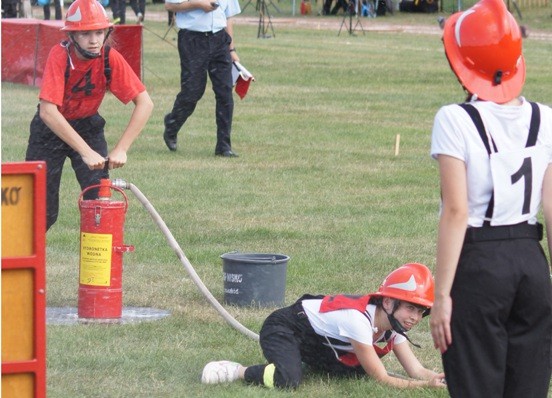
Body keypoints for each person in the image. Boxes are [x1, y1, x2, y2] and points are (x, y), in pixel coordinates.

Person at [429, 0, 552, 396]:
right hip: (532, 263)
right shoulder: (545, 118)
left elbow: (456, 211)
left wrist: (442, 296)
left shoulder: (454, 118)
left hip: (480, 264)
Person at [202, 263, 447, 390]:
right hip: (285, 327)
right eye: (410, 308)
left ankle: (299, 360)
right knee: (288, 380)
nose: (415, 317)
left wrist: (438, 378)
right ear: (388, 302)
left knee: (357, 373)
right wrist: (425, 386)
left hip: (315, 341)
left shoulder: (394, 327)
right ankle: (236, 371)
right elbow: (382, 378)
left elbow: (416, 370)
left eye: (420, 311)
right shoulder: (358, 321)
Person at [25, 0, 153, 231]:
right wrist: (85, 151)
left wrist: (122, 148)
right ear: (72, 36)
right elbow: (47, 111)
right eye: (85, 34)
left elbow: (145, 103)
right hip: (50, 132)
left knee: (99, 205)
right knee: (40, 212)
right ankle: (16, 263)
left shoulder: (109, 58)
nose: (94, 40)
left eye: (99, 32)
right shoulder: (60, 56)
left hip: (88, 126)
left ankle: (98, 266)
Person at [163, 0, 241, 157]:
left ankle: (223, 146)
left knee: (225, 92)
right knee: (192, 91)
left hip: (220, 39)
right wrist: (198, 4)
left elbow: (228, 16)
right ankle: (172, 124)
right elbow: (170, 5)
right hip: (192, 39)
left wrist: (231, 49)